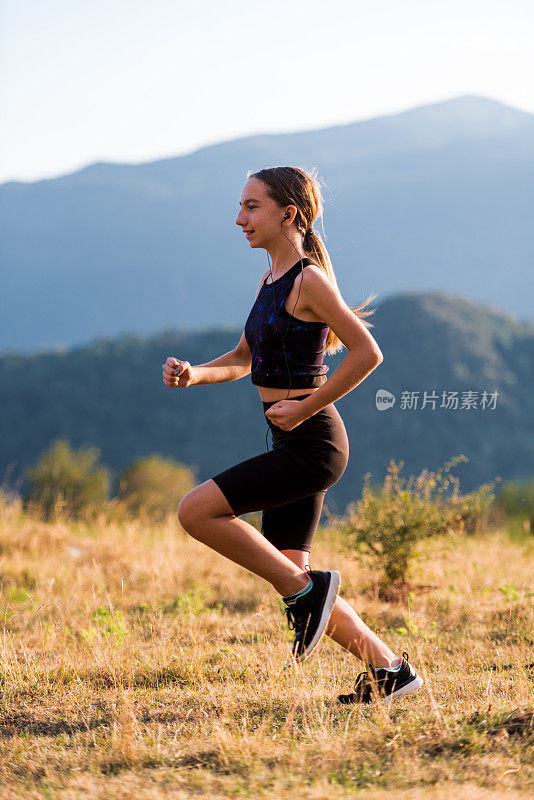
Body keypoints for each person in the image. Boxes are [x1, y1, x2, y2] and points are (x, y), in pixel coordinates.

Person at [163, 166, 423, 704]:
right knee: (296, 569)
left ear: (290, 215)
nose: (240, 219)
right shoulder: (270, 281)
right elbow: (242, 359)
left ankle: (304, 592)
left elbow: (367, 353)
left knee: (197, 511)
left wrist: (307, 405)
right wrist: (195, 373)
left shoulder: (309, 280)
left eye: (252, 207)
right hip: (290, 443)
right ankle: (390, 670)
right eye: (240, 206)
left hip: (316, 445)